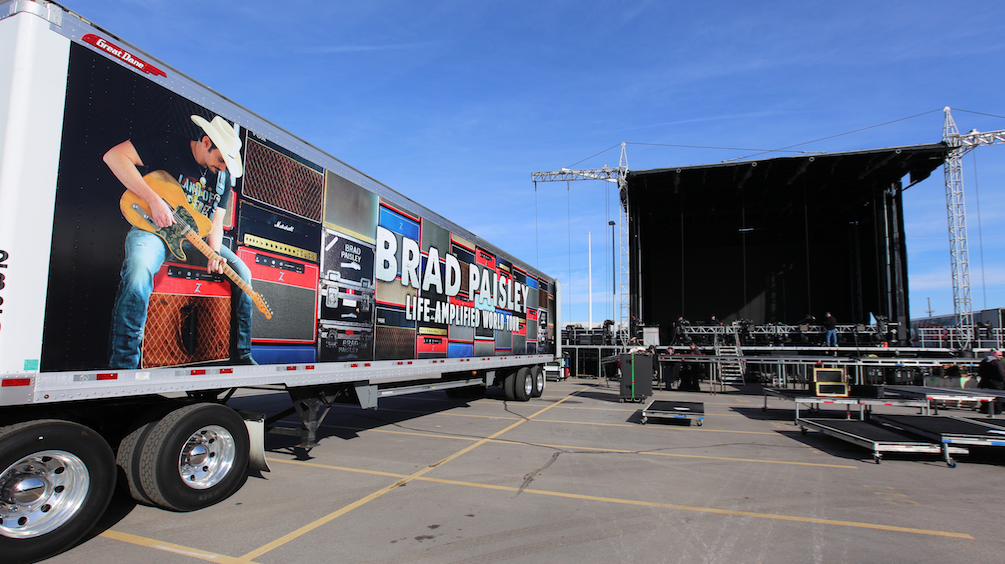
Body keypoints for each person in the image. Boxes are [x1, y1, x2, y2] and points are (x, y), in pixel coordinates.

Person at [105, 114, 254, 368]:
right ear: (206, 141)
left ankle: (242, 355)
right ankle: (124, 364)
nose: (222, 168)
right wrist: (154, 200)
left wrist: (214, 253)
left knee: (243, 272)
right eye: (220, 159)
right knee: (139, 270)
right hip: (155, 232)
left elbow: (216, 224)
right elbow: (114, 157)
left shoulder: (223, 178)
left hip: (194, 240)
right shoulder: (167, 144)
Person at [977, 350, 1005, 414]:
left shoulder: (984, 361)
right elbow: (1001, 373)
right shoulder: (997, 363)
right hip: (996, 382)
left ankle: (985, 409)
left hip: (984, 381)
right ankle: (997, 410)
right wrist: (1003, 380)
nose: (1001, 357)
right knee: (998, 397)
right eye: (1000, 355)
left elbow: (980, 372)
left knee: (985, 396)